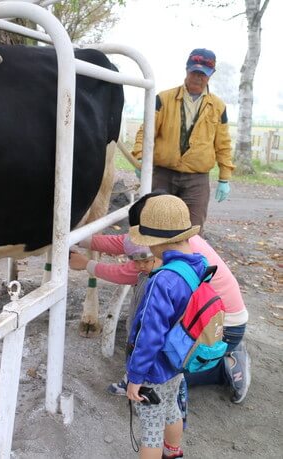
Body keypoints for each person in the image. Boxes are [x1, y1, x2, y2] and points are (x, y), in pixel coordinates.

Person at [73, 191, 251, 404]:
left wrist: (87, 265)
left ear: (153, 239)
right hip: (219, 318)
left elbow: (127, 274)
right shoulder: (179, 237)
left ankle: (225, 365)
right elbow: (122, 242)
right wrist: (79, 240)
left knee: (169, 371)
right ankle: (223, 349)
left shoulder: (163, 270)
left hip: (221, 327)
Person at [125, 194, 204, 459]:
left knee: (149, 428)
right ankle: (173, 453)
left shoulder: (161, 281)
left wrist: (135, 377)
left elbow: (149, 334)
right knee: (172, 409)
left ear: (157, 243)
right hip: (178, 359)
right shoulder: (198, 264)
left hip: (155, 369)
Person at [131, 48, 235, 230]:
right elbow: (146, 131)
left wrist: (224, 178)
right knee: (154, 225)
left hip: (197, 180)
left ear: (210, 76)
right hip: (163, 174)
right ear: (187, 70)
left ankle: (187, 259)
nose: (198, 77)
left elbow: (223, 145)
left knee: (193, 230)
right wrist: (141, 158)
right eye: (194, 72)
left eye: (203, 74)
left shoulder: (218, 107)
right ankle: (153, 259)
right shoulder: (163, 99)